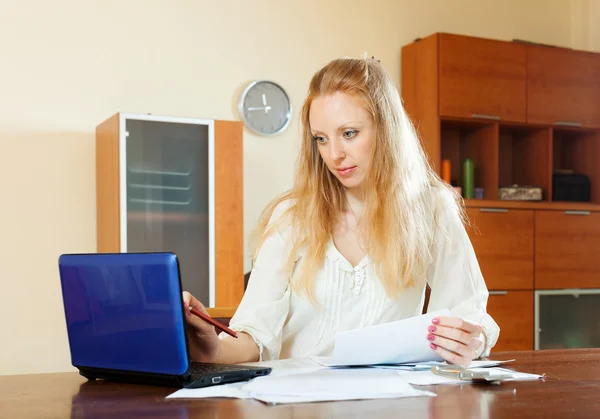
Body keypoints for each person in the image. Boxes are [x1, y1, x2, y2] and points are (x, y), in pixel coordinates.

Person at [183, 56, 500, 368]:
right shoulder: (290, 216)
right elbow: (254, 337)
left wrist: (474, 339)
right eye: (321, 139)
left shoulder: (431, 209)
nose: (334, 155)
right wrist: (211, 346)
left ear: (385, 129)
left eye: (349, 133)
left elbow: (468, 311)